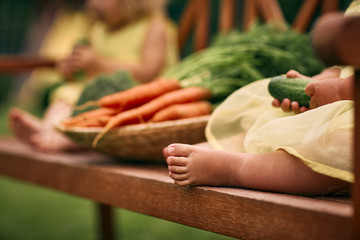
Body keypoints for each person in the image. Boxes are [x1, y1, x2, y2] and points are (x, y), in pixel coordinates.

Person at [163, 1, 359, 196]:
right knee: (269, 112)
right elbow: (342, 67)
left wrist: (342, 90)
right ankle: (227, 148)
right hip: (337, 105)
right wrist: (318, 82)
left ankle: (234, 168)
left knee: (342, 145)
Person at [9, 0, 179, 152]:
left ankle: (66, 136)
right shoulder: (99, 29)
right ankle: (50, 128)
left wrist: (99, 64)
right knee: (68, 93)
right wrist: (73, 70)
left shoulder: (154, 27)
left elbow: (149, 72)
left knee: (97, 106)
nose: (91, 3)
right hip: (98, 91)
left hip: (136, 97)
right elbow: (89, 71)